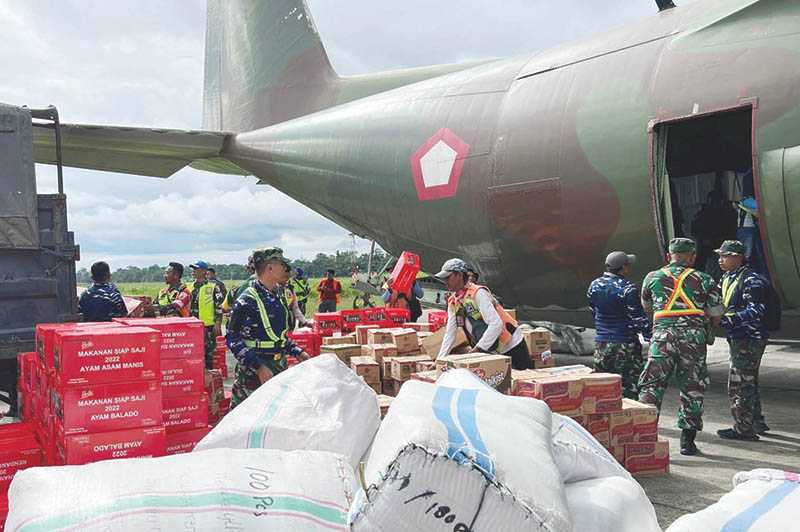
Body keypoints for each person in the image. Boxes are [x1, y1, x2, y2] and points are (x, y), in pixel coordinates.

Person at [638, 238, 724, 456]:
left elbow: (647, 306)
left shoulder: (653, 277)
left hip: (662, 337)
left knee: (652, 386)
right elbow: (716, 314)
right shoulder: (704, 279)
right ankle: (687, 442)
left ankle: (644, 437)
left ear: (669, 256)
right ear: (692, 256)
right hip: (693, 340)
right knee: (692, 387)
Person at [226, 248, 310, 407]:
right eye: (282, 264)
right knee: (246, 420)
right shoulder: (247, 300)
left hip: (278, 366)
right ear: (270, 268)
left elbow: (278, 337)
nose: (287, 269)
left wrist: (297, 352)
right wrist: (258, 367)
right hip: (253, 373)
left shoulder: (279, 295)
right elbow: (233, 338)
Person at [715, 240, 771, 441]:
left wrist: (728, 319)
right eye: (720, 256)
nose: (721, 260)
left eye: (725, 256)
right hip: (737, 337)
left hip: (749, 338)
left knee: (740, 384)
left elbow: (756, 310)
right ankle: (755, 420)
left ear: (738, 257)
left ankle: (743, 429)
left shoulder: (751, 280)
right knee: (749, 380)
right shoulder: (728, 277)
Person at [434, 258, 531, 370]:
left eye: (448, 277)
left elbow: (496, 324)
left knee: (524, 381)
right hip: (492, 349)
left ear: (459, 275)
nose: (445, 282)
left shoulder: (478, 293)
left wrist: (478, 348)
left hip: (512, 344)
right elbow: (450, 333)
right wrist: (440, 360)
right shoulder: (453, 301)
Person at [587, 252, 652, 399]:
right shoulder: (628, 288)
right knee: (629, 389)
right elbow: (638, 318)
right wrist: (650, 337)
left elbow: (593, 311)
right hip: (625, 344)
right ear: (624, 268)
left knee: (603, 387)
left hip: (601, 343)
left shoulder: (594, 285)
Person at [186, 260, 224, 369]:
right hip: (191, 326)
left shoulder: (213, 287)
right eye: (192, 269)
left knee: (208, 355)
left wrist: (218, 324)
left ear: (203, 271)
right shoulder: (188, 287)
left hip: (207, 326)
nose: (193, 271)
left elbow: (219, 306)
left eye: (196, 269)